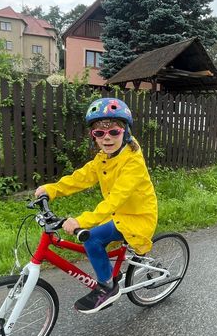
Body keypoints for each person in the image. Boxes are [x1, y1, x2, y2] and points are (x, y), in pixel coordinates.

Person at [35, 97, 158, 314]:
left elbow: (115, 200)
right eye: (99, 133)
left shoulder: (133, 163)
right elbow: (81, 177)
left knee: (92, 239)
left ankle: (108, 287)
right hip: (118, 212)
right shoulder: (104, 157)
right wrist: (52, 189)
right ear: (94, 136)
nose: (107, 137)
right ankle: (110, 274)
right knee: (95, 236)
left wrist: (81, 221)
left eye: (114, 132)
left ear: (125, 131)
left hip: (137, 216)